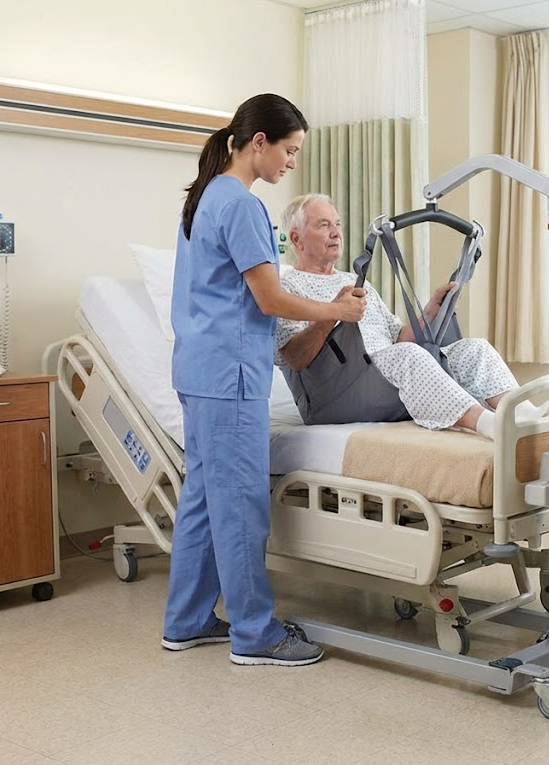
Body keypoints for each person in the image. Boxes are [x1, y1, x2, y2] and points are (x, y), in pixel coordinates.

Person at [161, 95, 366, 667]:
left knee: (203, 500)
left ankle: (187, 621)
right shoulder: (242, 206)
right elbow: (269, 297)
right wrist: (334, 311)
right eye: (290, 150)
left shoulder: (202, 197)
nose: (291, 163)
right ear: (259, 143)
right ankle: (255, 634)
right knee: (241, 505)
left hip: (200, 371)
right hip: (230, 376)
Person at [273, 194, 547, 438]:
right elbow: (294, 357)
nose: (336, 233)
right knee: (406, 355)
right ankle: (487, 424)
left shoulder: (357, 282)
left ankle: (521, 414)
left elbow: (398, 337)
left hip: (382, 379)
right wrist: (333, 313)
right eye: (323, 225)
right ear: (296, 238)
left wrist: (430, 311)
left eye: (338, 224)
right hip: (333, 396)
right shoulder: (287, 287)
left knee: (473, 349)